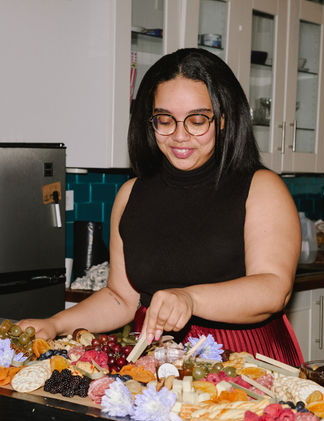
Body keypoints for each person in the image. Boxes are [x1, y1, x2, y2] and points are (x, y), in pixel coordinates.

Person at [19, 48, 303, 366]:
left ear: (223, 120)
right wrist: (57, 324)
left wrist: (189, 298)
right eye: (165, 120)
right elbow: (120, 298)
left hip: (243, 359)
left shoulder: (261, 188)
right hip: (152, 363)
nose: (180, 136)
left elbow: (272, 288)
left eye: (197, 121)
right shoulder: (130, 194)